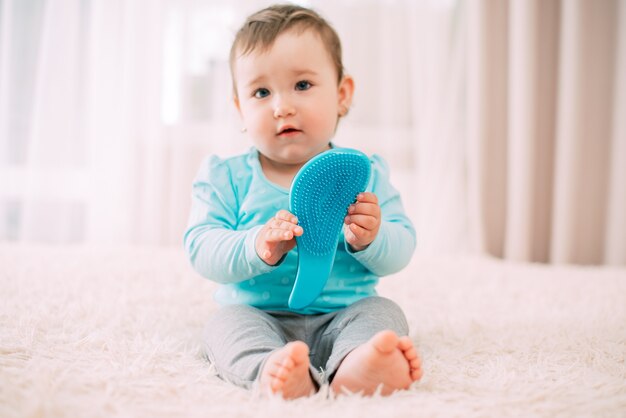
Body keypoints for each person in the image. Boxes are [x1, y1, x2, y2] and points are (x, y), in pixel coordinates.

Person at [184, 4, 422, 399]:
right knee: (223, 326)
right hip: (259, 313)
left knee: (385, 314)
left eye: (302, 85)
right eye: (261, 92)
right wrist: (256, 243)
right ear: (241, 108)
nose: (282, 106)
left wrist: (372, 237)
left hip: (345, 312)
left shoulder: (364, 175)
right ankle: (273, 369)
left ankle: (357, 364)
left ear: (342, 95)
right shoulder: (225, 176)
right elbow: (200, 246)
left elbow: (403, 248)